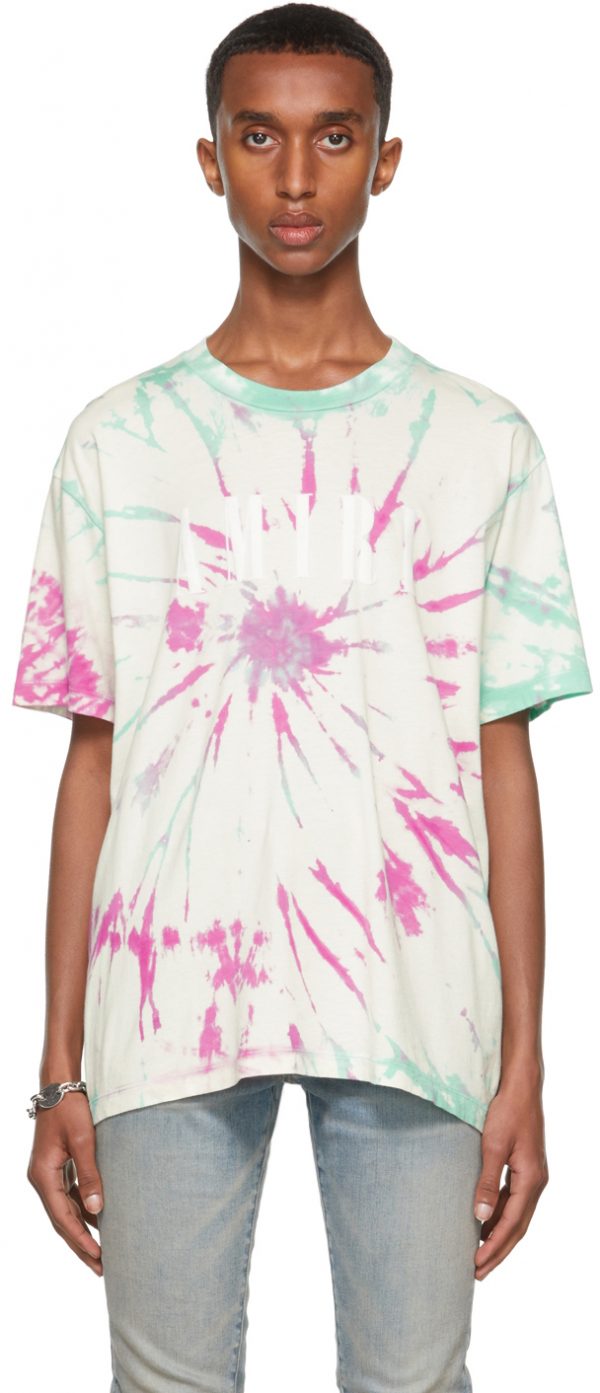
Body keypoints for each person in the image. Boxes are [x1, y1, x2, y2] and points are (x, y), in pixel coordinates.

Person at [12, 5, 593, 1391]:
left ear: (385, 160)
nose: (293, 178)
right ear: (208, 159)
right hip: (164, 1007)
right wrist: (58, 1064)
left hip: (415, 1004)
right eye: (258, 137)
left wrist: (525, 1061)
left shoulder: (482, 443)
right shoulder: (118, 441)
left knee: (412, 1381)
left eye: (333, 139)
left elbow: (501, 763)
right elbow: (94, 762)